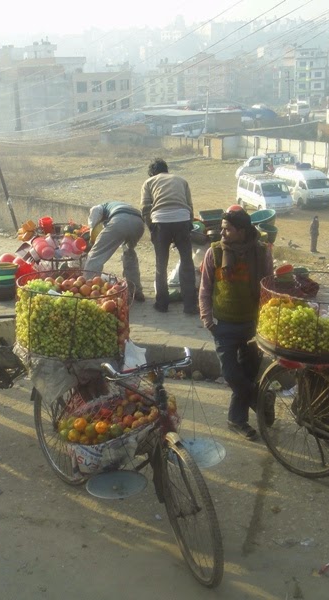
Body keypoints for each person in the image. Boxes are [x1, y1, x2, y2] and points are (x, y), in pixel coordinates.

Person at [199, 206, 273, 440]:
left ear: (242, 231)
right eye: (222, 229)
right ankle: (260, 400)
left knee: (247, 374)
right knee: (231, 374)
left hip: (252, 324)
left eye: (227, 230)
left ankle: (237, 420)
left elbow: (268, 288)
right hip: (224, 326)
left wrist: (266, 322)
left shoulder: (261, 252)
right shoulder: (215, 253)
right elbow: (205, 288)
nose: (222, 234)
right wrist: (207, 319)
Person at [140, 158, 197, 314]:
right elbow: (190, 206)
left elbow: (145, 208)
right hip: (182, 220)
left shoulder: (149, 182)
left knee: (161, 265)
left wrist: (152, 228)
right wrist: (188, 225)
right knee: (187, 264)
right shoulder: (181, 180)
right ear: (167, 169)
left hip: (161, 222)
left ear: (152, 173)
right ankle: (190, 306)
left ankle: (162, 304)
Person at [83, 201, 145, 301]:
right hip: (138, 223)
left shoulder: (100, 207)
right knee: (129, 254)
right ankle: (136, 291)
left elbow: (95, 215)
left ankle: (86, 290)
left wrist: (91, 229)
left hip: (119, 221)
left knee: (95, 255)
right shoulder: (117, 205)